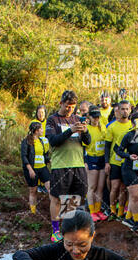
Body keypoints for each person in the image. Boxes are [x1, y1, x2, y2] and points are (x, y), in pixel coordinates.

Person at [45, 90, 91, 242]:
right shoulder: (52, 120)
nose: (69, 109)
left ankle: (66, 227)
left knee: (72, 198)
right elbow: (53, 141)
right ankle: (55, 230)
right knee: (56, 198)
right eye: (67, 106)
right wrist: (70, 131)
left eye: (72, 106)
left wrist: (84, 132)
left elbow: (88, 142)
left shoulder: (78, 118)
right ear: (61, 103)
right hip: (60, 165)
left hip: (77, 164)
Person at [104, 99, 132, 219]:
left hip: (127, 161)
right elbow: (107, 145)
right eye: (122, 109)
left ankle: (121, 212)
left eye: (127, 109)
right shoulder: (112, 126)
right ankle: (112, 210)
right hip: (114, 161)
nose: (125, 111)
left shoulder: (132, 126)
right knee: (114, 187)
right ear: (118, 111)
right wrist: (106, 162)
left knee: (123, 188)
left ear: (130, 110)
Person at [84, 106, 107, 222]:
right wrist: (85, 162)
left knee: (100, 187)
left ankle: (98, 210)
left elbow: (106, 138)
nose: (96, 119)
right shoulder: (86, 128)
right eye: (94, 117)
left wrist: (101, 128)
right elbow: (82, 145)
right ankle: (92, 211)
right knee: (92, 186)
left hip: (102, 158)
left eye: (98, 117)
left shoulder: (102, 127)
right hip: (91, 158)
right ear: (90, 117)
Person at [20, 122, 50, 213]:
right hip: (32, 169)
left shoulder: (42, 141)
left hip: (43, 168)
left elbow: (44, 154)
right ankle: (33, 211)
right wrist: (30, 169)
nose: (42, 130)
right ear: (36, 131)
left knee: (50, 187)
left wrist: (49, 160)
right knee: (33, 191)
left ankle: (53, 207)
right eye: (41, 129)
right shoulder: (26, 141)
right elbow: (24, 156)